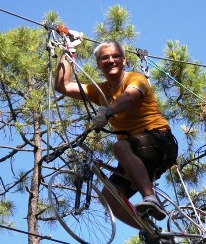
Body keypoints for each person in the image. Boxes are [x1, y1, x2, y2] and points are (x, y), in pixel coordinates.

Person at [54, 34, 178, 231]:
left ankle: (150, 198)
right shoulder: (99, 90)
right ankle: (153, 234)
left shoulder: (136, 78)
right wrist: (68, 52)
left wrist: (108, 111)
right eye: (105, 58)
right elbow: (62, 86)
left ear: (123, 60)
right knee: (109, 197)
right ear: (98, 64)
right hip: (136, 153)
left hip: (160, 141)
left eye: (115, 56)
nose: (110, 60)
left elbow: (129, 97)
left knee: (120, 147)